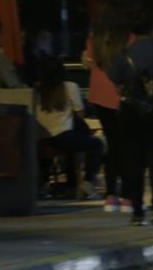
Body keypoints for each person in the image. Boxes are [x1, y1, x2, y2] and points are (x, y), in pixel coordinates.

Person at [109, 10, 153, 229]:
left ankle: (137, 213)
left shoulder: (123, 55)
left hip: (130, 114)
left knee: (134, 163)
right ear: (152, 30)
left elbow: (116, 85)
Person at [84, 0, 131, 212]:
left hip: (99, 97)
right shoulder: (128, 38)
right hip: (121, 96)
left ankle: (111, 196)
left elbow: (88, 61)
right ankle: (128, 196)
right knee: (127, 147)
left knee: (113, 145)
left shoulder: (94, 39)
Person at [35, 56, 104, 199]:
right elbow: (80, 113)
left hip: (41, 138)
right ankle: (87, 183)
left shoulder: (37, 89)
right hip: (63, 136)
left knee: (72, 142)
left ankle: (51, 185)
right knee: (96, 144)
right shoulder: (70, 87)